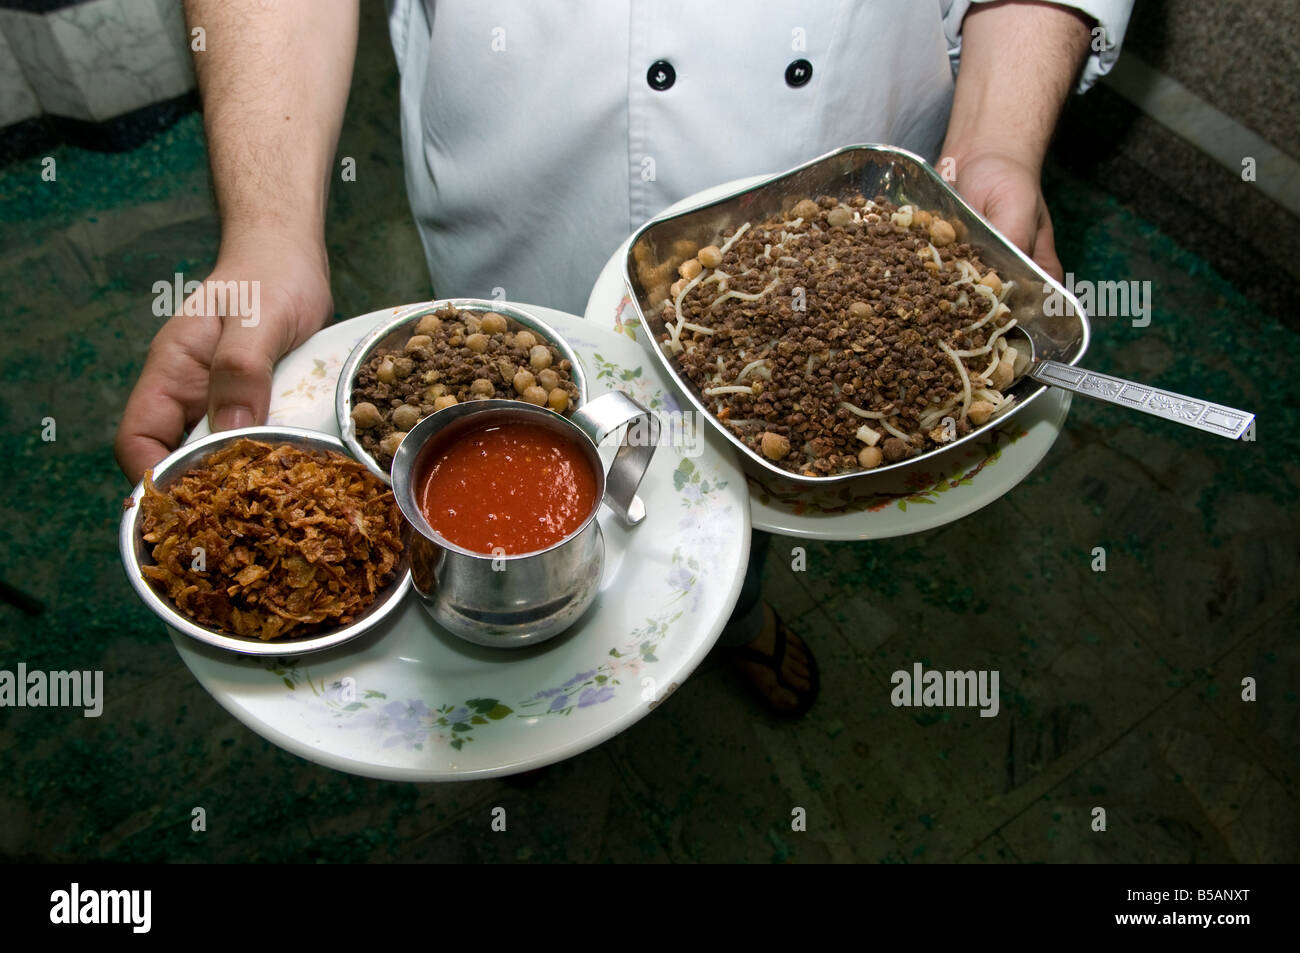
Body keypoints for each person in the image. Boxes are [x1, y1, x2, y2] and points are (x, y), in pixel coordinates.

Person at [116, 0, 1132, 717]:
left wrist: (995, 137)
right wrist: (269, 229)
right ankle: (516, 672)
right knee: (511, 424)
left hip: (822, 161)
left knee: (771, 470)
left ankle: (731, 609)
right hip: (524, 172)